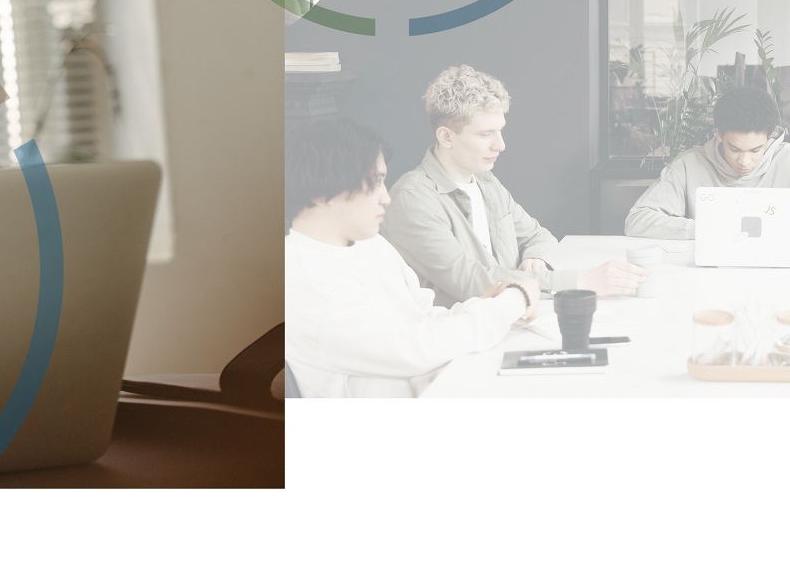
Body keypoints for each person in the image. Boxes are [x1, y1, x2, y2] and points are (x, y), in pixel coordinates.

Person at [285, 116, 535, 398]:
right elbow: (415, 348)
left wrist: (488, 306)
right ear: (324, 191)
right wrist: (513, 300)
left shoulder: (371, 245)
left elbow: (423, 316)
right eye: (375, 182)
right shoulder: (302, 278)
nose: (386, 197)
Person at [383, 65, 643, 306]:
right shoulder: (412, 200)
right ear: (446, 136)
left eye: (500, 131)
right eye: (485, 134)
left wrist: (536, 259)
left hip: (509, 321)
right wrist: (582, 282)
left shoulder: (487, 183)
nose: (500, 145)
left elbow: (538, 236)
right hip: (460, 343)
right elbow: (472, 282)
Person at [626, 85, 788, 239]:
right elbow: (636, 221)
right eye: (734, 149)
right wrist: (707, 229)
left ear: (769, 137)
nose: (744, 161)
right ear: (719, 134)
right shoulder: (688, 165)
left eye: (755, 150)